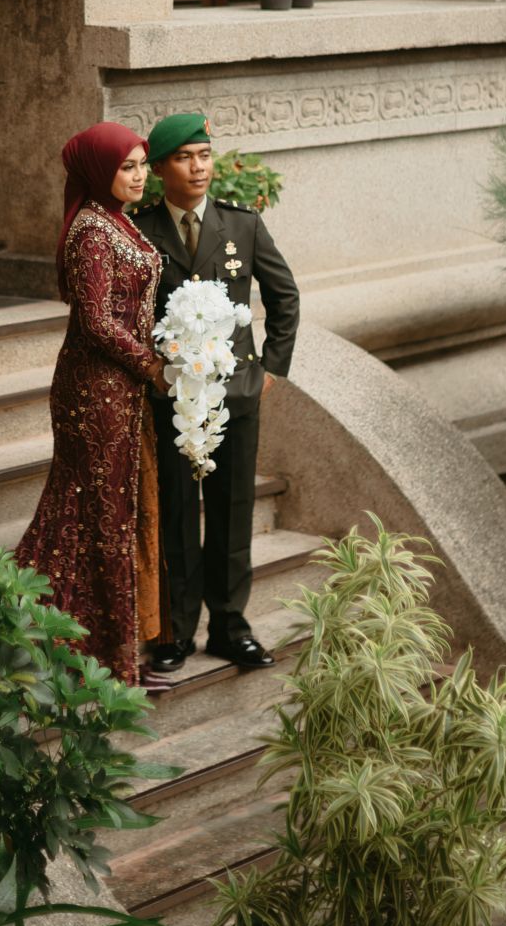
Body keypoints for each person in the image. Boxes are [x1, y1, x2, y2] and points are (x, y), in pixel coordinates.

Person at [132, 112, 300, 672]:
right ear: (160, 169)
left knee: (232, 510)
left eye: (204, 155)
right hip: (172, 399)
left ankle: (230, 626)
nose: (198, 167)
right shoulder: (140, 231)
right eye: (184, 158)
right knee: (177, 515)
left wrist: (270, 370)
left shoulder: (242, 225)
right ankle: (176, 632)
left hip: (235, 392)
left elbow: (284, 295)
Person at [15, 121, 170, 688]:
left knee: (103, 513)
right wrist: (151, 364)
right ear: (100, 170)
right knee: (99, 514)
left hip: (121, 387)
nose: (139, 176)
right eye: (127, 167)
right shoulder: (91, 231)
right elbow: (96, 320)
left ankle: (91, 649)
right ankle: (101, 658)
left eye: (142, 165)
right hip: (94, 392)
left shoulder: (116, 219)